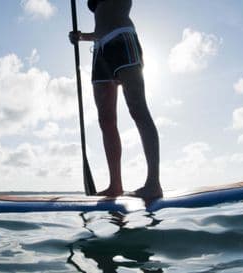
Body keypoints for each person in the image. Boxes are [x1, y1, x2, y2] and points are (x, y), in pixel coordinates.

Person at [69, 0, 162, 199]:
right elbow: (101, 22)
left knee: (138, 109)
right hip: (100, 49)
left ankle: (153, 183)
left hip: (121, 38)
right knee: (106, 120)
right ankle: (115, 185)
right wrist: (82, 36)